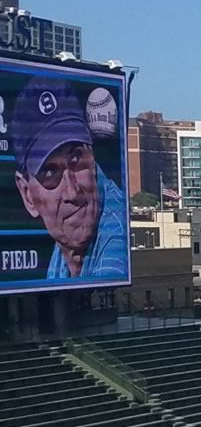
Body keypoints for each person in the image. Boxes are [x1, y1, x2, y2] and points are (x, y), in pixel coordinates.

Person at [10, 80, 126, 282]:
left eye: (76, 159)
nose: (73, 192)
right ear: (27, 195)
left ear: (92, 156)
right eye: (49, 173)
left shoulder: (116, 239)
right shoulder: (65, 247)